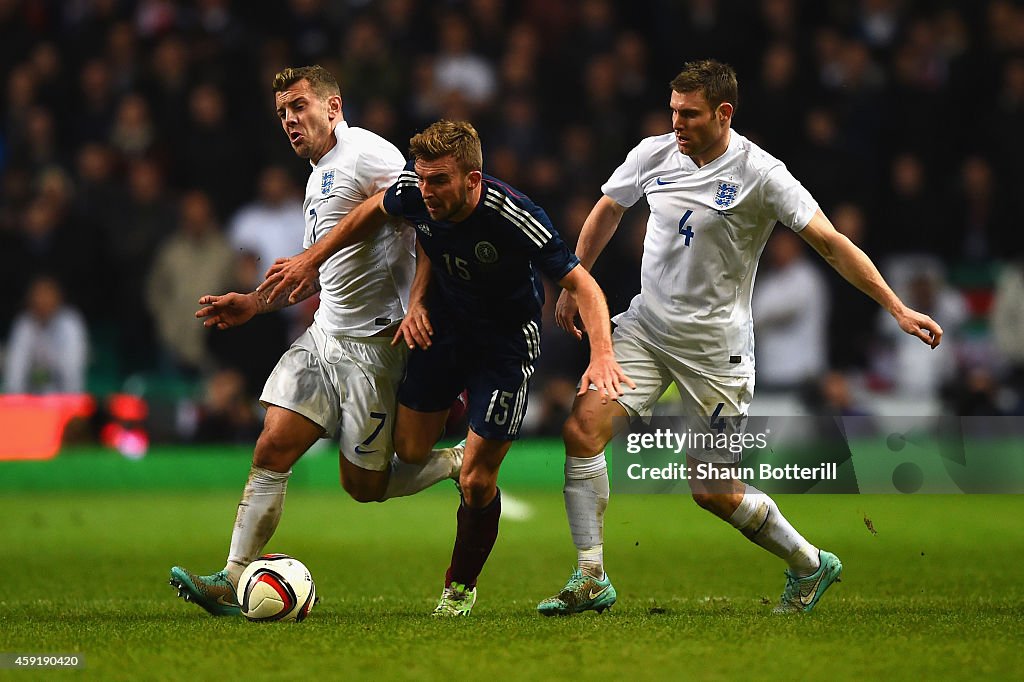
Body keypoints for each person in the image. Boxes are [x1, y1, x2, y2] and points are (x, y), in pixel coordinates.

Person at [536, 59, 943, 616]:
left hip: (716, 353)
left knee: (713, 492)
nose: (676, 123)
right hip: (647, 331)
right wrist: (573, 280)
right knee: (582, 430)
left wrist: (895, 307)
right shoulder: (654, 154)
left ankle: (809, 562)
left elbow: (829, 241)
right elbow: (608, 208)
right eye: (673, 110)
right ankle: (590, 576)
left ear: (724, 113)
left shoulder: (761, 173)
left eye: (690, 114)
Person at [260, 119, 633, 616]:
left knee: (479, 483)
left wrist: (602, 354)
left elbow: (583, 286)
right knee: (410, 452)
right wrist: (321, 262)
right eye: (422, 177)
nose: (426, 191)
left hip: (504, 346)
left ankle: (459, 586)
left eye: (439, 181)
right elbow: (380, 213)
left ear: (473, 180)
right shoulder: (418, 192)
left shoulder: (514, 215)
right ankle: (459, 442)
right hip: (446, 333)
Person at [169, 66, 466, 617]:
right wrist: (256, 304)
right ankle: (231, 579)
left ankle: (456, 463)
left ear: (333, 107)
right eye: (282, 111)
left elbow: (428, 222)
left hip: (375, 349)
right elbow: (312, 274)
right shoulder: (318, 176)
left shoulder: (368, 154)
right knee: (272, 447)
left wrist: (419, 301)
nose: (289, 119)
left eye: (299, 106)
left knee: (364, 487)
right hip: (324, 336)